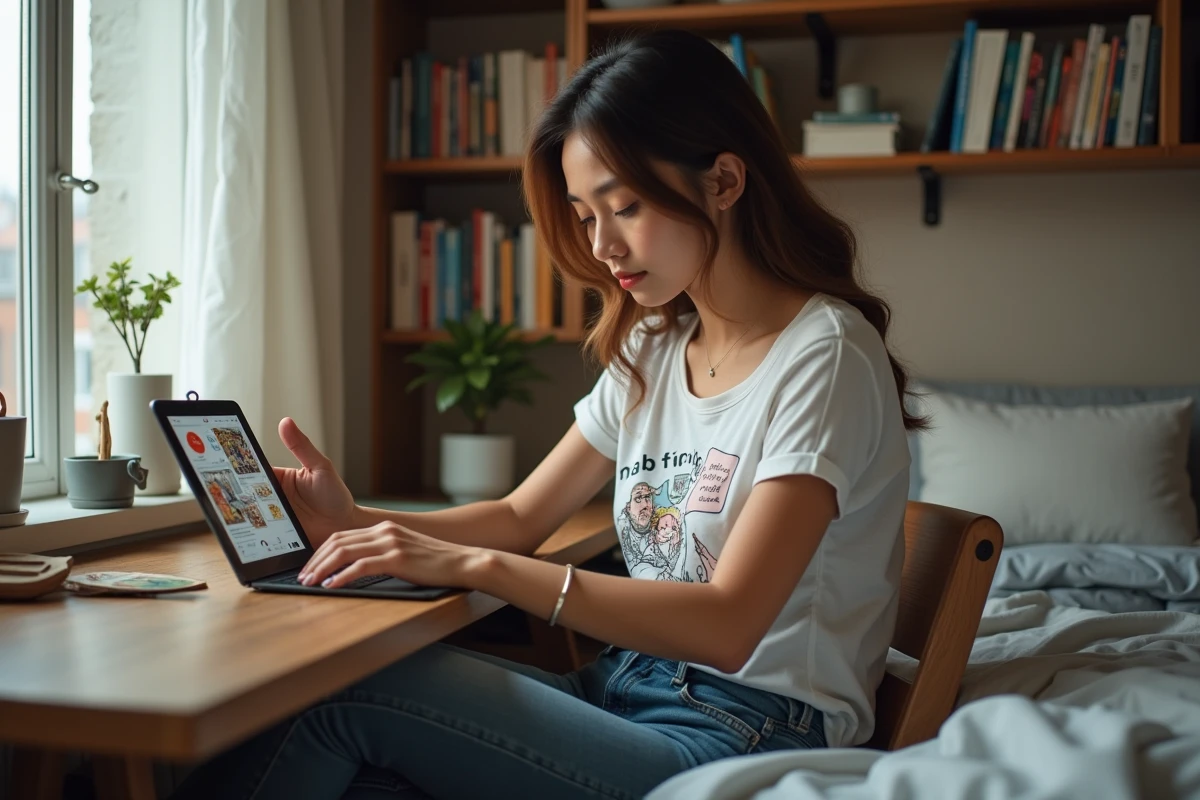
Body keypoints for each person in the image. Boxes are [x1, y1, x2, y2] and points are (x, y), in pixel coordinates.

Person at [168, 28, 925, 800]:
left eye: (624, 207)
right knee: (343, 755)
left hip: (740, 731)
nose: (604, 247)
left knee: (337, 696)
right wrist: (353, 519)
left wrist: (482, 568)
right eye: (584, 215)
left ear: (724, 181)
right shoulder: (660, 348)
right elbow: (521, 515)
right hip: (622, 689)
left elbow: (727, 627)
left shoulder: (824, 354)